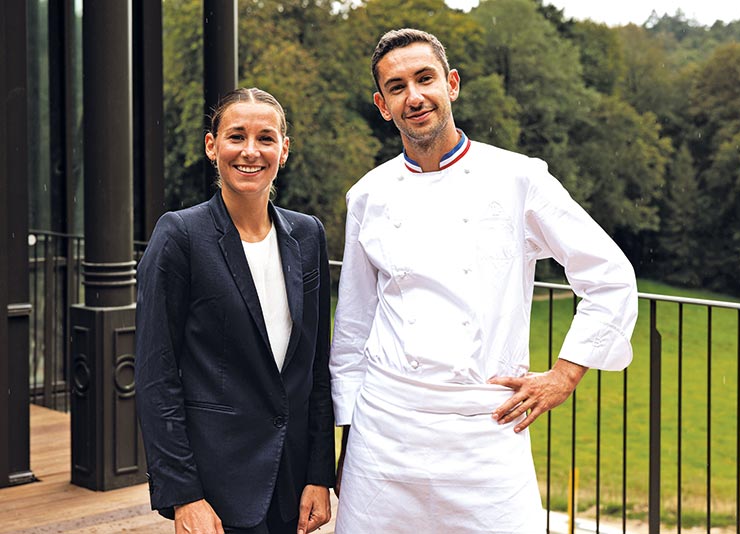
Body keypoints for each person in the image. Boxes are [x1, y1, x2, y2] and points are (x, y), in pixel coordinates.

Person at [329, 29, 639, 533]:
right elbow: (353, 327)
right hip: (384, 433)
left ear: (451, 84)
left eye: (425, 79)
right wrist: (347, 442)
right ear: (382, 105)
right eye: (397, 87)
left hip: (486, 430)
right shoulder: (368, 194)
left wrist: (564, 376)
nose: (414, 97)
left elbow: (609, 275)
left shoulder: (518, 178)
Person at [135, 87, 335, 534]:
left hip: (291, 483)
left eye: (266, 138)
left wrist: (319, 474)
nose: (250, 151)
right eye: (236, 136)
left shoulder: (308, 235)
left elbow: (316, 368)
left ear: (284, 149)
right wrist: (184, 494)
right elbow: (155, 376)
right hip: (215, 487)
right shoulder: (180, 235)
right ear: (212, 146)